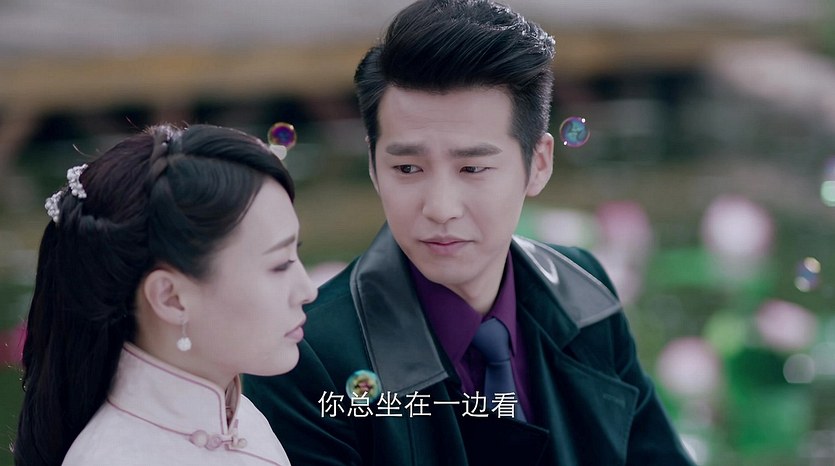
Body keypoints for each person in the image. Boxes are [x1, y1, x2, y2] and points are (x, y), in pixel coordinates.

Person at [244, 0, 695, 464]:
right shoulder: (304, 357)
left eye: (473, 167)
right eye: (407, 167)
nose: (440, 208)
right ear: (374, 167)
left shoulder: (583, 293)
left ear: (538, 164)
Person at [14, 123, 317, 466]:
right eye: (279, 265)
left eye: (296, 255)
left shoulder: (244, 423)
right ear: (171, 297)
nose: (307, 291)